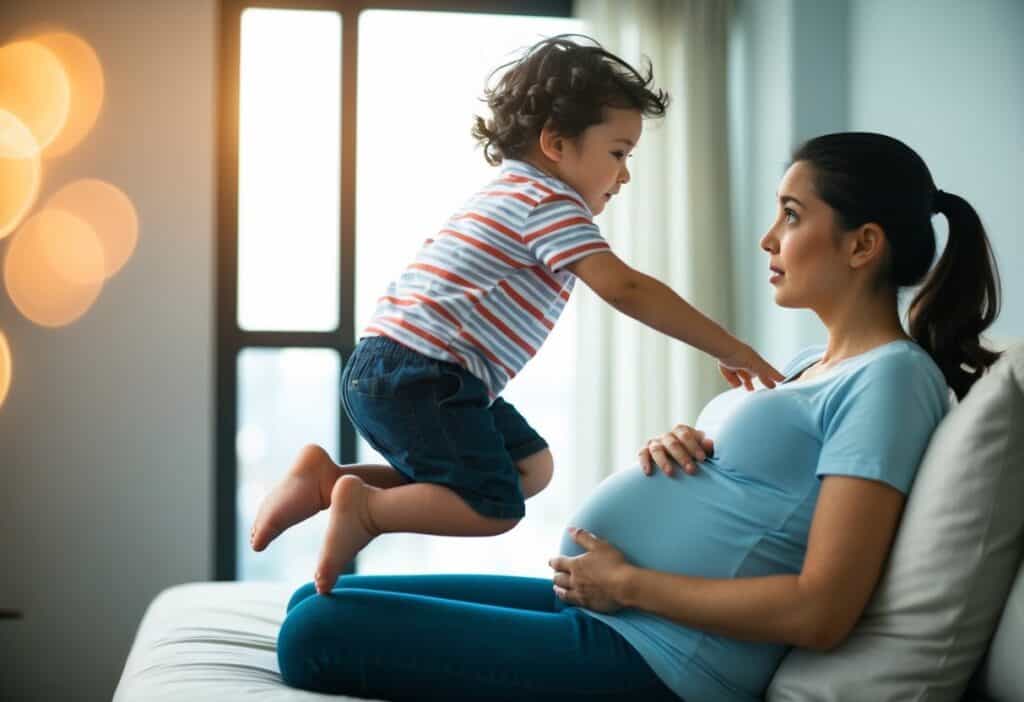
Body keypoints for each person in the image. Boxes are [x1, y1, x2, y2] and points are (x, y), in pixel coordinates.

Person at [274, 131, 1002, 702]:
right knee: (313, 597)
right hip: (608, 616)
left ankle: (358, 502)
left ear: (863, 244)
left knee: (315, 632)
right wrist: (692, 451)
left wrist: (628, 585)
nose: (768, 239)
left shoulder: (892, 380)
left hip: (662, 660)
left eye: (792, 214)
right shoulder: (815, 364)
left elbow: (822, 609)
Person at [249, 34, 782, 595]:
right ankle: (366, 512)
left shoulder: (511, 190)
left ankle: (329, 481)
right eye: (618, 153)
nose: (624, 175)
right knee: (495, 505)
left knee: (530, 468)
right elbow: (623, 288)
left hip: (404, 370)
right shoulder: (548, 203)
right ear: (555, 142)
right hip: (423, 374)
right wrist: (731, 347)